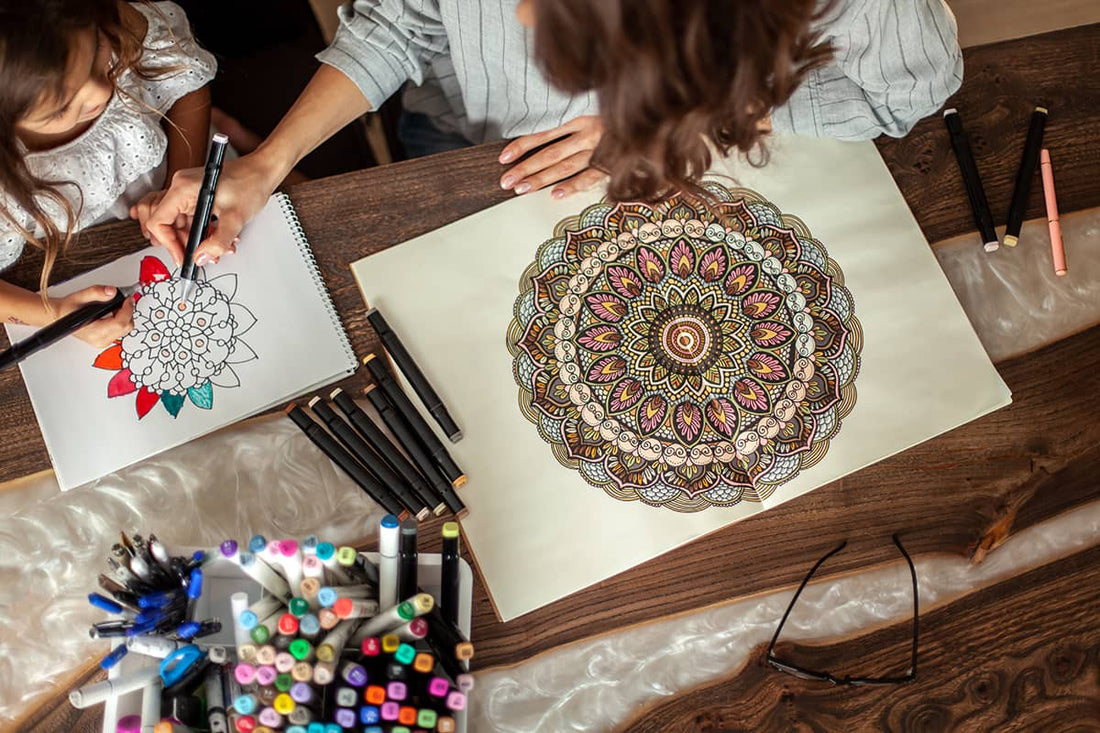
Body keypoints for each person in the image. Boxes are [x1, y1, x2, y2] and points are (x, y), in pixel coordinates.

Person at [143, 0, 961, 261]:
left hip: (728, 171)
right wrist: (267, 164)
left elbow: (905, 94)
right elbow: (403, 26)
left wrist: (687, 123)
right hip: (473, 149)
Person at [0, 0, 215, 347]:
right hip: (76, 264)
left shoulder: (125, 27)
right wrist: (55, 314)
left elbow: (188, 88)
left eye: (96, 51)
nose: (101, 91)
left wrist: (181, 179)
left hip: (190, 171)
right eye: (60, 108)